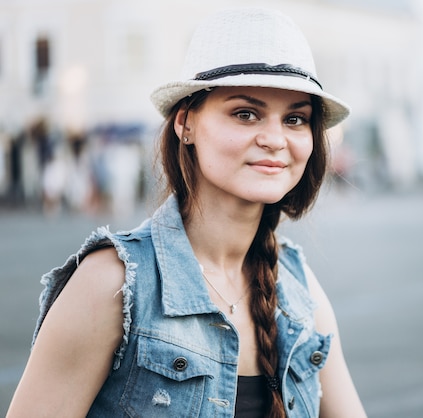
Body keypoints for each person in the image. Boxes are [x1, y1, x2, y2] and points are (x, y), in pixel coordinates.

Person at [8, 8, 367, 418]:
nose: (274, 138)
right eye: (245, 113)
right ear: (185, 123)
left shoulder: (302, 294)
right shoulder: (112, 285)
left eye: (295, 119)